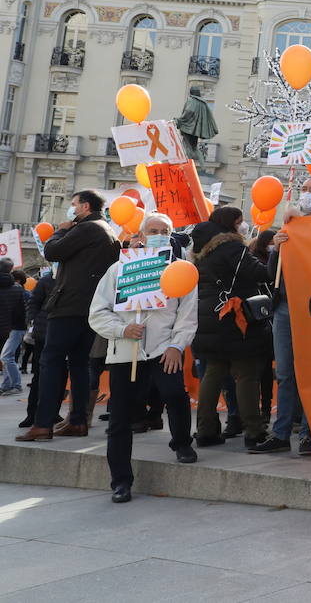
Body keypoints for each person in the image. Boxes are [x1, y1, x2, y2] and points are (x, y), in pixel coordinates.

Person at [88, 213, 198, 503]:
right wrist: (123, 328)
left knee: (174, 394)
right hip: (126, 352)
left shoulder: (181, 271)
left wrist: (177, 346)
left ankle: (182, 442)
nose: (158, 234)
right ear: (141, 234)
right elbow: (98, 313)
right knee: (121, 418)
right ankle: (120, 481)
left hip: (164, 349)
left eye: (164, 231)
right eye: (153, 230)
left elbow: (187, 316)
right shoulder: (117, 270)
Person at [18, 191, 120, 442]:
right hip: (90, 308)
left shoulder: (87, 228)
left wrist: (60, 230)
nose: (70, 209)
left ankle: (42, 424)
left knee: (51, 362)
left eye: (73, 205)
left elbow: (52, 251)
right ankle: (77, 421)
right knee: (78, 364)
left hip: (69, 305)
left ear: (84, 206)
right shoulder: (107, 230)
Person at [251, 177, 311, 456]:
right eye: (304, 189)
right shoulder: (289, 226)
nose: (307, 194)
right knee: (284, 373)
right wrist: (278, 249)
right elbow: (272, 275)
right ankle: (281, 433)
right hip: (285, 306)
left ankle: (309, 434)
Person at [191, 206, 276, 448]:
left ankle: (205, 430)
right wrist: (276, 254)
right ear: (230, 224)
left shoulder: (201, 250)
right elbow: (260, 273)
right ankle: (254, 430)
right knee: (246, 373)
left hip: (208, 317)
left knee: (213, 373)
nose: (242, 226)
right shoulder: (232, 248)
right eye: (239, 222)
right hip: (235, 317)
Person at [18, 269, 53, 429]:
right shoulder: (46, 281)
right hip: (43, 334)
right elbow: (33, 303)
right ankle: (32, 414)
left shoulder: (74, 279)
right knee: (39, 376)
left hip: (60, 334)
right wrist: (32, 321)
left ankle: (52, 413)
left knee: (58, 377)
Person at [0, 260, 24, 396]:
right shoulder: (17, 288)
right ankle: (7, 385)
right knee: (6, 357)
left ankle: (16, 384)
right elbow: (21, 310)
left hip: (8, 327)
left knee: (6, 357)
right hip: (15, 326)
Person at [175, 86, 219, 155]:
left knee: (186, 146)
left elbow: (189, 111)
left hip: (188, 127)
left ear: (191, 92)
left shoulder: (191, 99)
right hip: (196, 129)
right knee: (195, 148)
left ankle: (187, 162)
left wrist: (181, 119)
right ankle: (202, 166)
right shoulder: (203, 103)